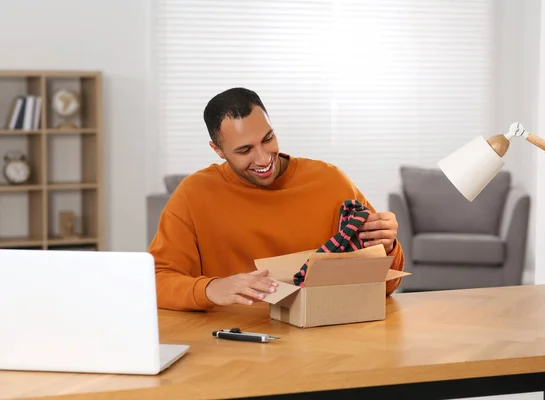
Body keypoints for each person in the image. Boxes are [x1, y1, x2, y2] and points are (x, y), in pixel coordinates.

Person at [148, 87, 405, 311]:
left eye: (268, 139)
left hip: (320, 332)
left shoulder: (330, 180)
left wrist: (388, 245)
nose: (263, 159)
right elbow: (155, 281)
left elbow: (386, 286)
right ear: (218, 150)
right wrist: (211, 289)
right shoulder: (193, 194)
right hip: (232, 341)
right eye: (244, 150)